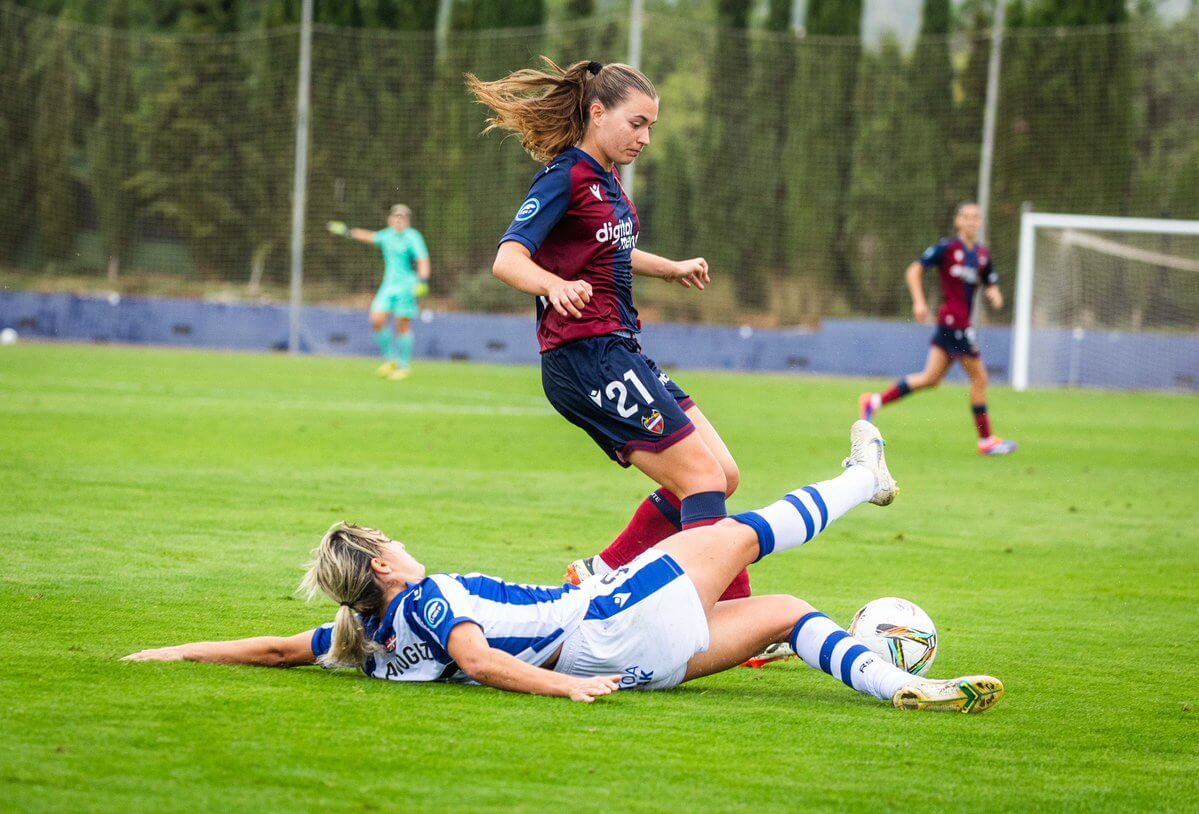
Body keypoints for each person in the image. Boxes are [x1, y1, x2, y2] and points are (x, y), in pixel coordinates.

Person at [125, 421, 1005, 714]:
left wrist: (169, 654)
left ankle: (895, 689)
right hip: (607, 625)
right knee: (739, 531)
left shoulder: (367, 635)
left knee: (785, 611)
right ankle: (864, 477)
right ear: (383, 566)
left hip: (634, 662)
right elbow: (475, 658)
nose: (400, 547)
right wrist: (561, 692)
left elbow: (276, 648)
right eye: (387, 543)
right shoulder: (425, 603)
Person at [466, 58, 759, 628]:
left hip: (618, 349)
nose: (645, 137)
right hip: (585, 356)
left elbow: (610, 251)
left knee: (722, 475)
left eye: (651, 127)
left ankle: (603, 572)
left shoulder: (607, 180)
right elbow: (507, 259)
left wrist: (668, 268)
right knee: (700, 480)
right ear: (597, 113)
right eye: (637, 123)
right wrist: (553, 285)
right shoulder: (566, 176)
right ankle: (723, 617)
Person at [860, 203, 1017, 455]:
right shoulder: (947, 248)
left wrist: (994, 294)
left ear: (980, 222)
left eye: (975, 217)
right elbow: (914, 271)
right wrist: (919, 301)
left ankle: (875, 401)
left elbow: (990, 281)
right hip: (954, 322)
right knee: (980, 379)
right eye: (966, 217)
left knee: (931, 378)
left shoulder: (982, 255)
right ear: (958, 221)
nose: (970, 221)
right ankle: (986, 440)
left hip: (956, 323)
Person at [327, 204, 430, 380]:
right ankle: (391, 359)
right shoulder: (387, 236)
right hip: (388, 286)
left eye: (403, 217)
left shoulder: (413, 237)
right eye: (396, 217)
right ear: (390, 219)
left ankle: (404, 366)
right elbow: (369, 236)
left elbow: (423, 260)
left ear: (407, 221)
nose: (399, 220)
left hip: (407, 287)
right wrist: (347, 231)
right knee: (376, 319)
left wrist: (423, 281)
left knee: (402, 326)